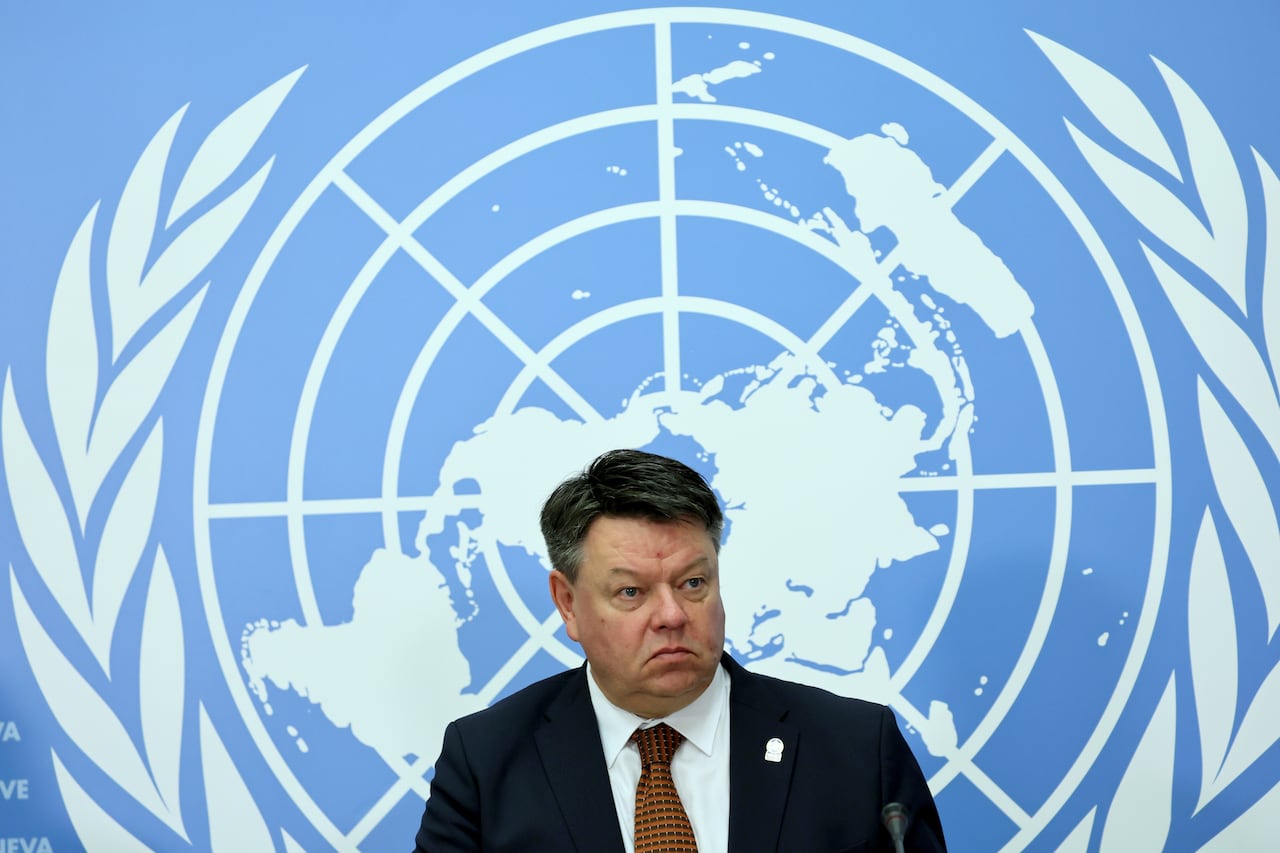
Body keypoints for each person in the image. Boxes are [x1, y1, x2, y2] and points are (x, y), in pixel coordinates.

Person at [415, 449, 946, 852]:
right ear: (568, 603)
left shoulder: (855, 750)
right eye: (631, 592)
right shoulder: (486, 762)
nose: (671, 615)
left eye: (693, 583)